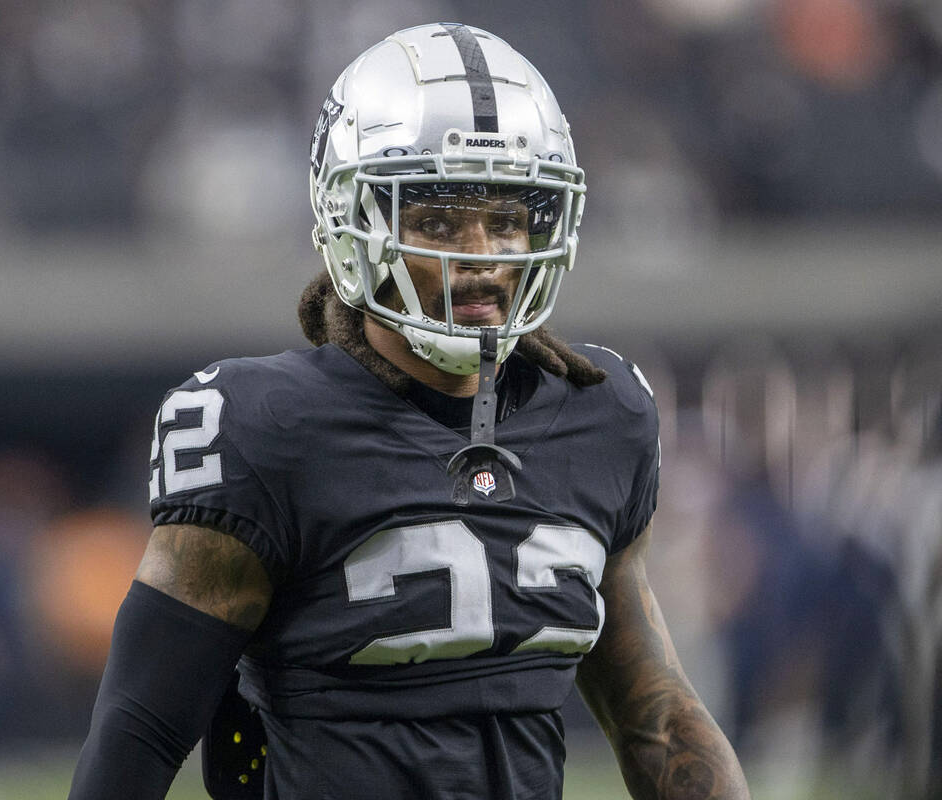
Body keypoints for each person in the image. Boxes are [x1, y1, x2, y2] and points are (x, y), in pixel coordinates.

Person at [69, 22, 750, 800]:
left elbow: (654, 714)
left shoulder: (604, 415)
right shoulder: (265, 427)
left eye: (506, 219)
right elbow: (141, 728)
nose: (483, 255)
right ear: (352, 221)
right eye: (436, 222)